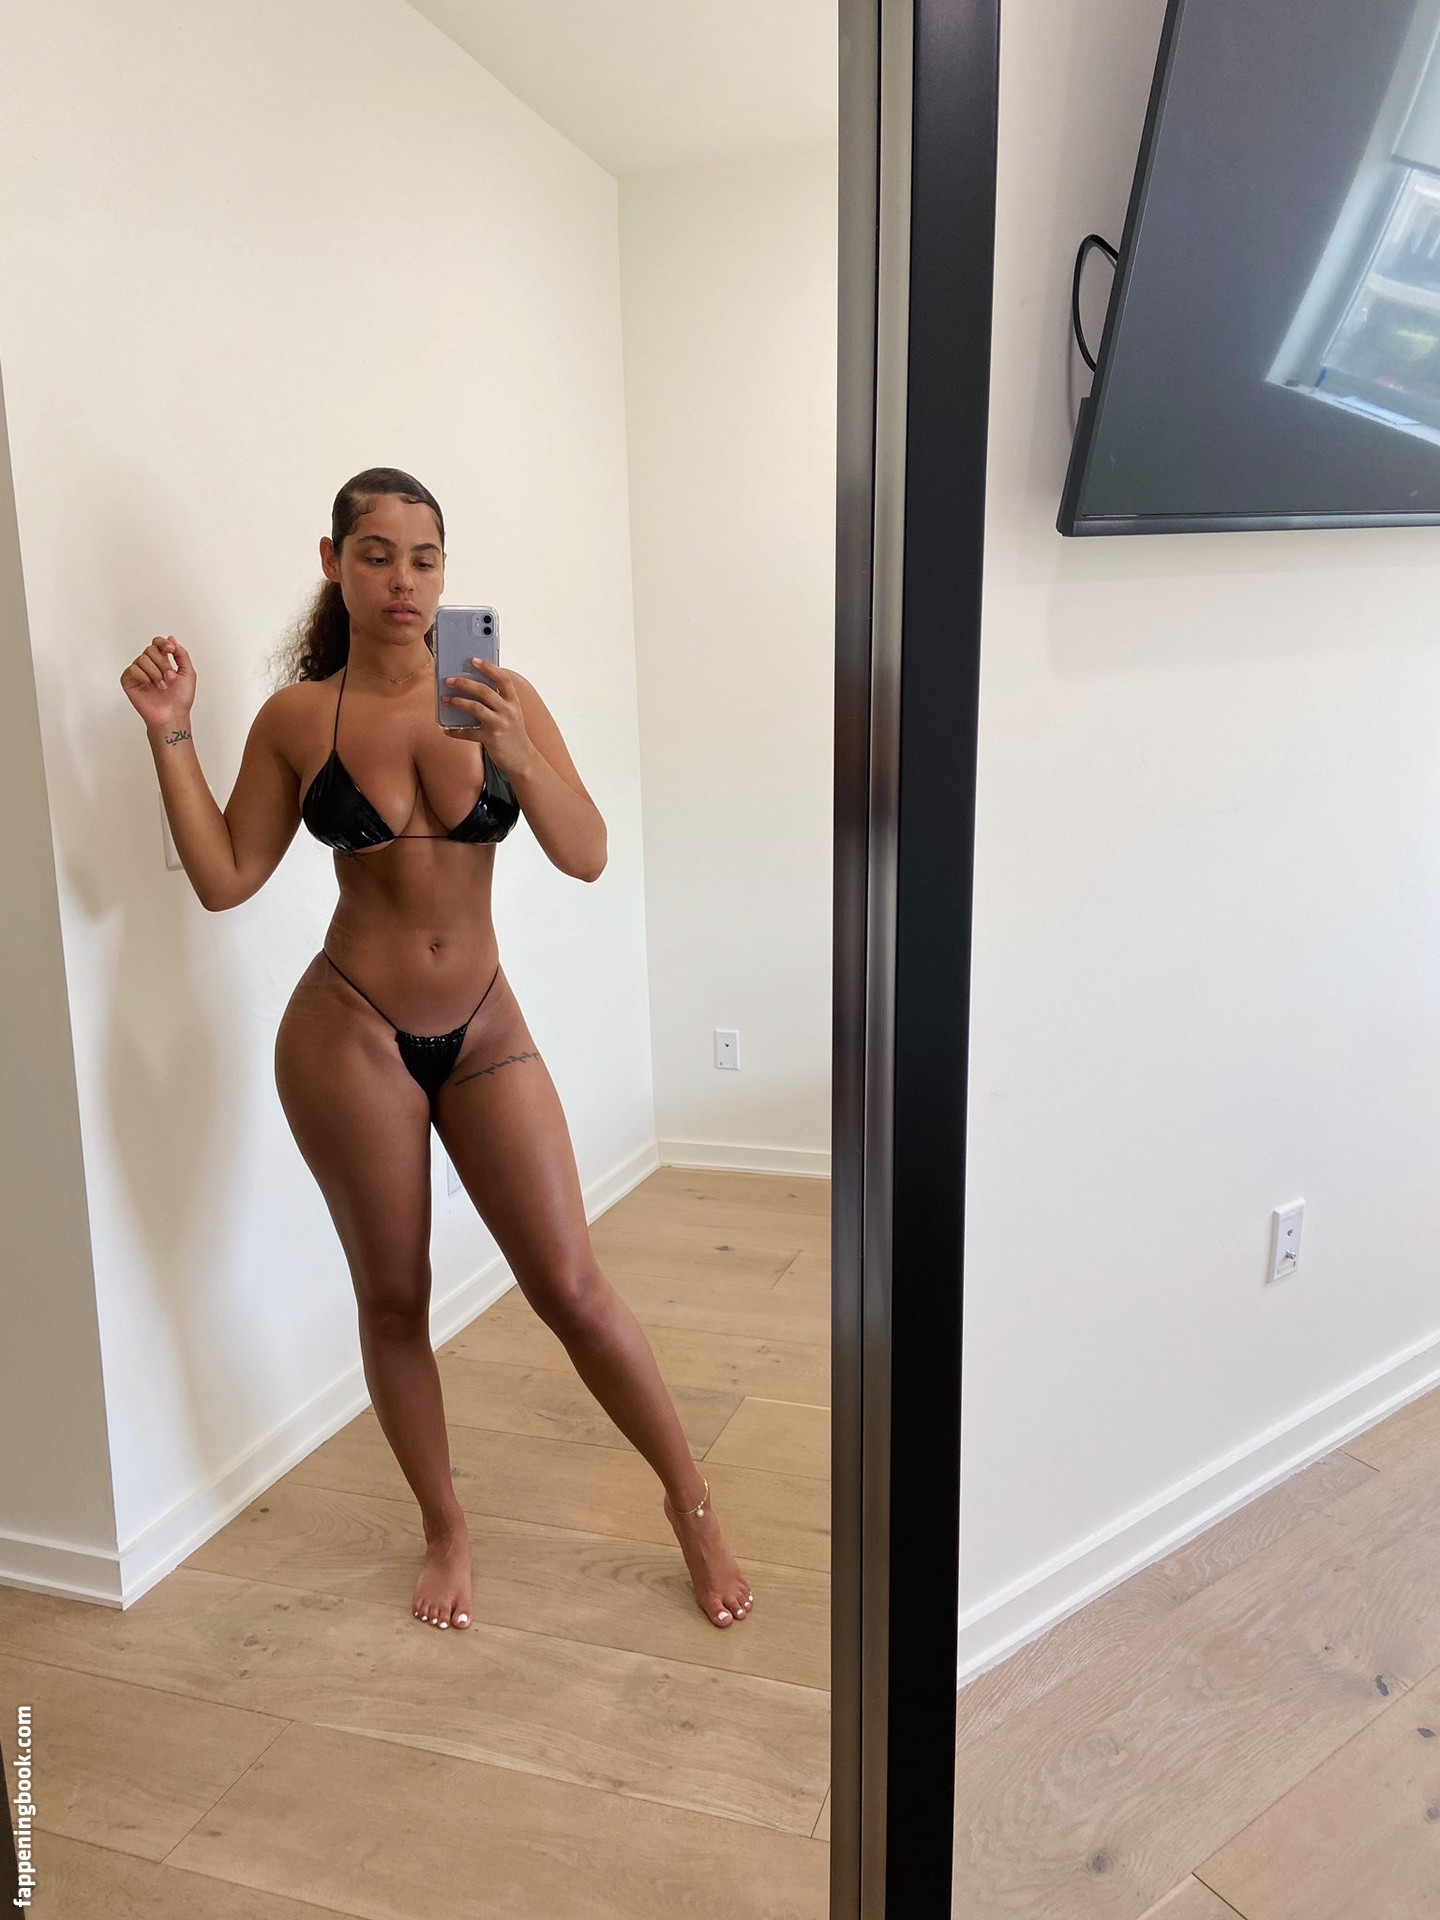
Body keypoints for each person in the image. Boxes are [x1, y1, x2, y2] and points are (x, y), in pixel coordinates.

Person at [120, 467, 754, 1635]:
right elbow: (224, 878)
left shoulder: (495, 692)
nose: (402, 579)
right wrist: (171, 734)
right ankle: (444, 1527)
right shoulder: (298, 719)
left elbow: (588, 854)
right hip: (349, 1031)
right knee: (396, 1296)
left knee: (572, 1287)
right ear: (334, 565)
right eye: (375, 554)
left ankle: (692, 1503)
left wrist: (519, 751)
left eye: (423, 557)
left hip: (485, 1027)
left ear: (446, 571)